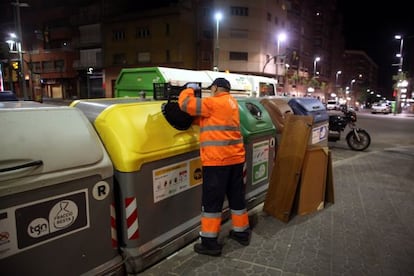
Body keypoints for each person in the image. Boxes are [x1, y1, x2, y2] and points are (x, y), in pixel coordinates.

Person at [178, 77, 251, 257]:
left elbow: (185, 104)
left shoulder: (212, 103)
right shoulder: (231, 102)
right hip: (235, 159)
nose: (210, 91)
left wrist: (189, 88)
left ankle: (210, 243)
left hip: (217, 162)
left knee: (211, 202)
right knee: (237, 198)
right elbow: (211, 121)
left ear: (216, 87)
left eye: (211, 89)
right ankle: (242, 233)